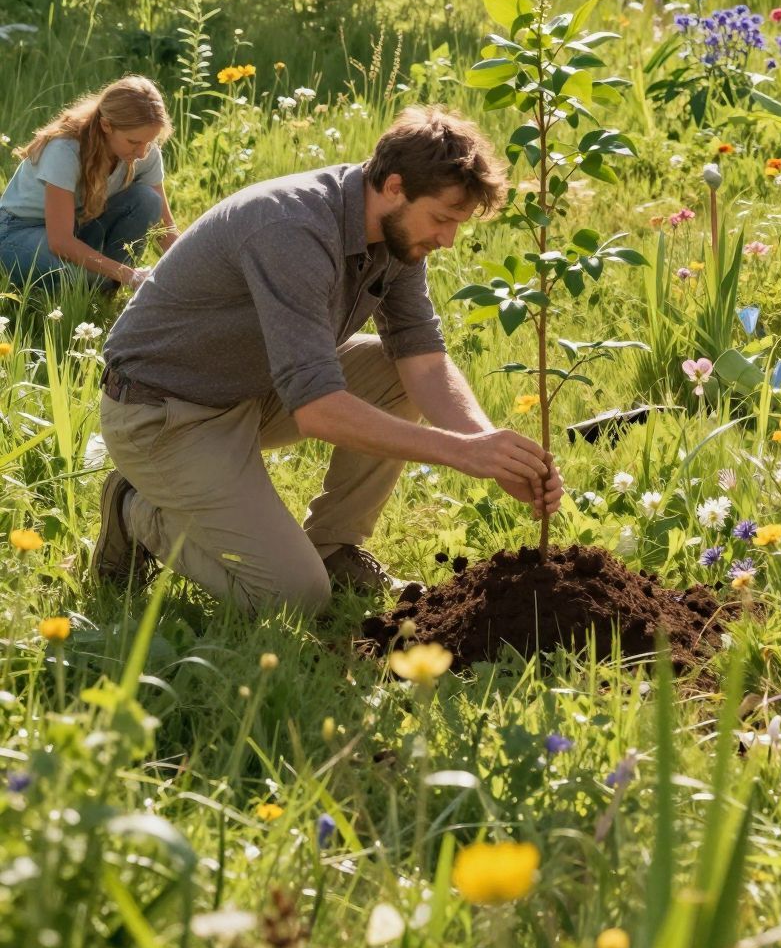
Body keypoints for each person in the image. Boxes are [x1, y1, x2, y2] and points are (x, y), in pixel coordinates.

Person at [93, 106, 562, 615]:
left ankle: (334, 547)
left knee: (392, 370)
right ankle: (136, 509)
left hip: (250, 389)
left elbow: (422, 359)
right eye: (443, 218)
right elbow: (318, 411)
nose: (447, 239)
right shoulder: (292, 228)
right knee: (292, 597)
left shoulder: (394, 235)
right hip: (164, 414)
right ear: (395, 187)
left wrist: (489, 450)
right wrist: (461, 453)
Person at [0, 76, 176, 291]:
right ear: (106, 125)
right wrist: (127, 273)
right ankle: (105, 282)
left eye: (149, 142)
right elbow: (60, 241)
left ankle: (106, 288)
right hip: (21, 229)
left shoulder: (145, 152)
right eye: (133, 142)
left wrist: (194, 272)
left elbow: (165, 228)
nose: (141, 152)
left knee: (147, 200)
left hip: (80, 224)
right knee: (69, 275)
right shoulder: (65, 150)